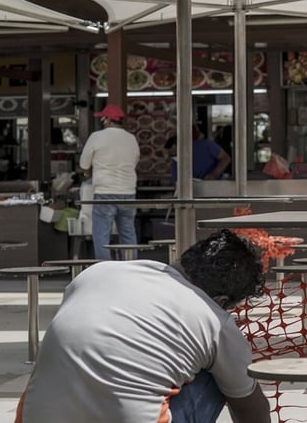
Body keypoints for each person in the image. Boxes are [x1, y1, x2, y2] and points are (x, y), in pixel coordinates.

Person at [15, 229, 271, 423]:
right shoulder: (216, 322)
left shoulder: (96, 274)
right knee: (218, 376)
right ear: (222, 300)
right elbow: (253, 412)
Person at [79, 103, 140, 260]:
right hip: (128, 192)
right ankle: (131, 267)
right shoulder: (131, 139)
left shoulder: (97, 137)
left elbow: (84, 164)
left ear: (107, 119)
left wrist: (88, 171)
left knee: (101, 235)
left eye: (103, 118)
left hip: (105, 192)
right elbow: (135, 161)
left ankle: (105, 268)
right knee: (128, 232)